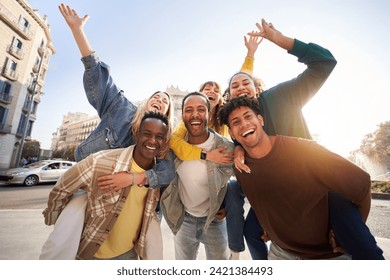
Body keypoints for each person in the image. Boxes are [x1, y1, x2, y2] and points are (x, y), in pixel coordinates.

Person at [39, 4, 175, 259]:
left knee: (152, 253)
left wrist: (133, 179)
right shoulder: (121, 109)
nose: (160, 99)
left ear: (167, 116)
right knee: (59, 248)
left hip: (136, 208)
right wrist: (78, 31)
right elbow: (99, 76)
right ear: (146, 103)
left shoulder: (165, 142)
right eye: (156, 96)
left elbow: (167, 172)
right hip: (91, 194)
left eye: (166, 101)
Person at [218, 96, 384, 260]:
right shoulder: (240, 167)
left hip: (327, 256)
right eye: (236, 122)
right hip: (281, 253)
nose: (244, 124)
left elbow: (362, 184)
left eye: (248, 116)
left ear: (260, 120)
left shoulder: (303, 151)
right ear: (232, 133)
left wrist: (349, 237)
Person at [43, 112, 170, 260]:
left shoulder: (159, 175)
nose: (153, 141)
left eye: (159, 137)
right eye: (147, 134)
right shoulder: (100, 162)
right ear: (136, 134)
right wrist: (60, 223)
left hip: (130, 254)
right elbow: (62, 188)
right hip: (91, 253)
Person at [160, 92, 235, 260]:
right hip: (183, 219)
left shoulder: (226, 148)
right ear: (182, 115)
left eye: (201, 109)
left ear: (209, 114)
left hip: (214, 221)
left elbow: (242, 183)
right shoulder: (174, 146)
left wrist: (230, 206)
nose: (195, 114)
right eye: (189, 110)